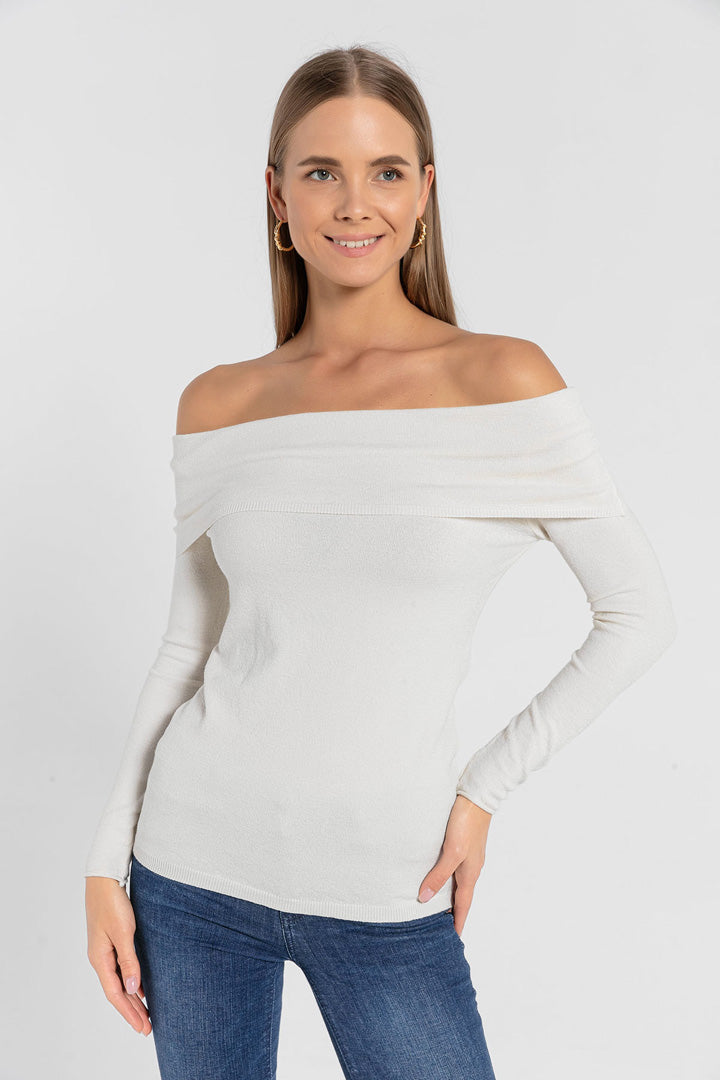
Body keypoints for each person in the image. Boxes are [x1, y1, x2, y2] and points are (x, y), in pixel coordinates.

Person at [84, 45, 677, 1080]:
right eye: (322, 171)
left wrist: (483, 790)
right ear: (278, 196)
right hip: (189, 873)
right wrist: (105, 863)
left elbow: (638, 613)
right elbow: (188, 649)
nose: (354, 203)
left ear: (424, 193)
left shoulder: (504, 383)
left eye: (386, 172)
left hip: (387, 886)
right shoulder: (220, 403)